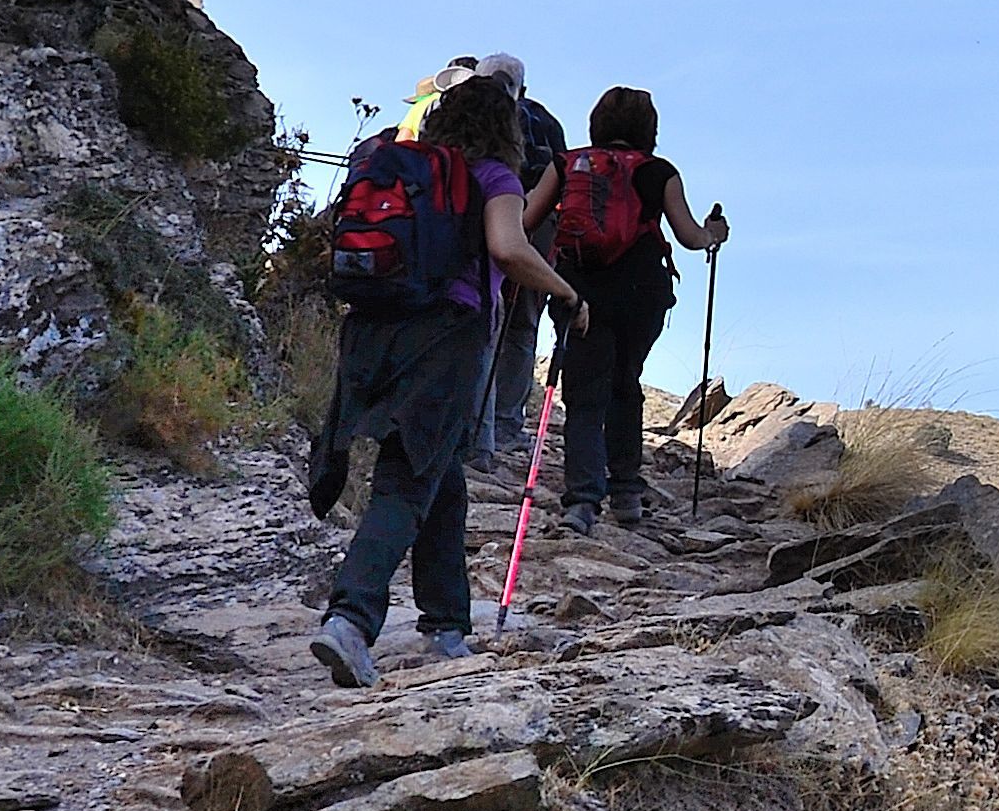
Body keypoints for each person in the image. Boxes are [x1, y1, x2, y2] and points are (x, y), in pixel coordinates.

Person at [309, 70, 577, 689]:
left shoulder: (397, 162)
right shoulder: (494, 176)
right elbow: (508, 248)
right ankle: (350, 618)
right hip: (442, 336)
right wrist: (565, 291)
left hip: (370, 327)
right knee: (407, 478)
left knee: (441, 473)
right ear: (507, 128)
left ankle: (446, 623)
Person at [545, 86, 727, 530]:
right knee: (626, 382)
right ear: (649, 128)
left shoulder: (566, 164)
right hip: (641, 293)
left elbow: (527, 219)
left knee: (583, 395)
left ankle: (582, 503)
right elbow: (688, 237)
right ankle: (626, 492)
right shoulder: (659, 172)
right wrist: (714, 234)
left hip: (579, 288)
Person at [474, 52, 566, 470]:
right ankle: (508, 422)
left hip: (487, 212)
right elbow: (561, 177)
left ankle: (478, 429)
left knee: (484, 317)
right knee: (523, 324)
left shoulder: (469, 110)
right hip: (540, 226)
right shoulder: (546, 121)